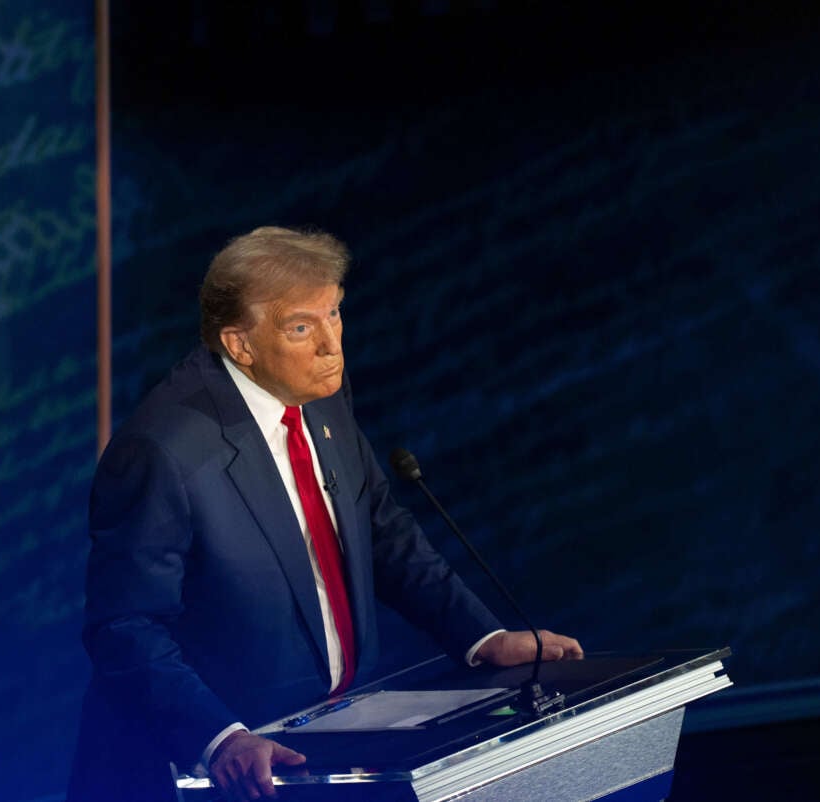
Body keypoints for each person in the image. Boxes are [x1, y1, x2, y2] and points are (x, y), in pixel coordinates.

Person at [67, 226, 582, 802]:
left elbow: (381, 531)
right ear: (241, 345)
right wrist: (222, 740)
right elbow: (124, 628)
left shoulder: (319, 393)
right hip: (205, 775)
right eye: (301, 328)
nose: (331, 344)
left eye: (335, 314)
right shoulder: (162, 451)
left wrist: (482, 636)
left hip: (325, 751)